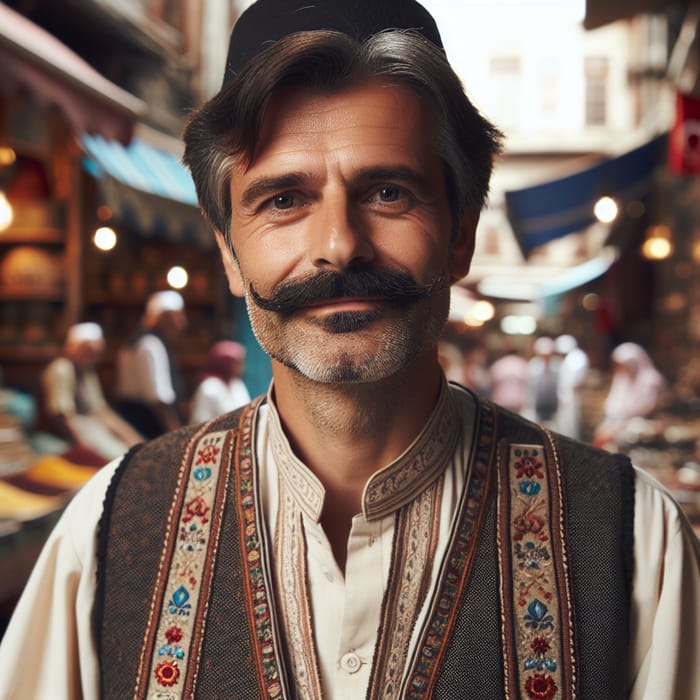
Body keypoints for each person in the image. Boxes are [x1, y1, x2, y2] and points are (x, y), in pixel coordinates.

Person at [1, 2, 698, 698]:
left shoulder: (634, 545)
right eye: (283, 201)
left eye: (388, 192)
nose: (338, 244)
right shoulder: (108, 532)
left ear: (460, 236)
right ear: (231, 256)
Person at [38, 322, 143, 463]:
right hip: (74, 432)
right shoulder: (62, 369)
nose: (95, 356)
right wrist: (83, 448)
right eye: (90, 351)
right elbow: (62, 416)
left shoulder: (86, 370)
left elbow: (101, 411)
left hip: (92, 428)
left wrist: (131, 437)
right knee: (117, 461)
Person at [114, 290, 188, 439]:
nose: (183, 322)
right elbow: (158, 399)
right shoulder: (151, 345)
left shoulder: (141, 340)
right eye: (178, 316)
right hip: (146, 424)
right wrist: (176, 435)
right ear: (163, 317)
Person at [594, 341, 667, 450]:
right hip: (618, 425)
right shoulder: (622, 379)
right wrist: (608, 425)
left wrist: (616, 428)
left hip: (638, 427)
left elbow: (645, 409)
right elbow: (615, 405)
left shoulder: (650, 380)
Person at [189, 340, 251, 423]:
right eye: (237, 363)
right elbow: (200, 421)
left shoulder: (237, 384)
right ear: (225, 364)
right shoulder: (209, 387)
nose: (242, 367)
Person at [553, 334, 590, 440]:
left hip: (571, 397)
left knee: (570, 426)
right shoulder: (569, 358)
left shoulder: (577, 357)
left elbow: (576, 382)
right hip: (565, 397)